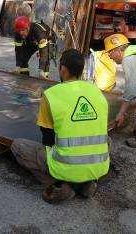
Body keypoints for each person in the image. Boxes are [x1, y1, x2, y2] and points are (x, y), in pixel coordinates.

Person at [11, 49, 110, 204]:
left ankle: (62, 185)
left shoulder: (51, 95)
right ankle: (86, 183)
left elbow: (48, 139)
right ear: (81, 70)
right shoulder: (97, 92)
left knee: (18, 146)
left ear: (63, 69)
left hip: (65, 166)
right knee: (108, 141)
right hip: (99, 165)